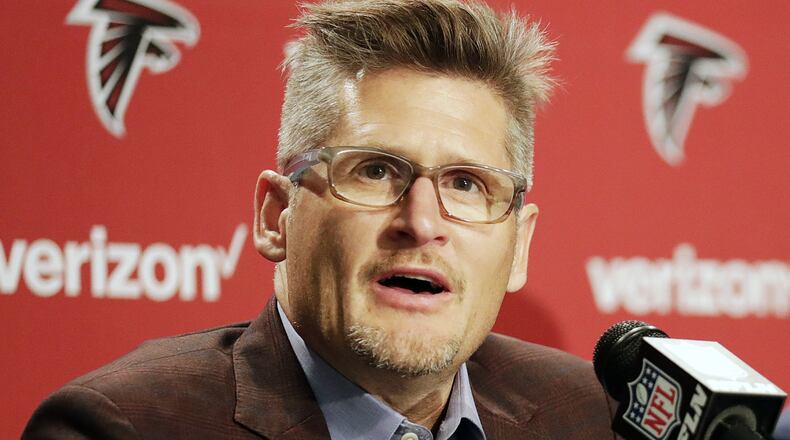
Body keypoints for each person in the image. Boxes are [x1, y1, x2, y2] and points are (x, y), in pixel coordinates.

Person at [23, 1, 619, 439]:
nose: (420, 221)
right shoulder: (123, 426)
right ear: (277, 215)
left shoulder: (596, 415)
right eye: (375, 172)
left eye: (466, 184)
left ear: (518, 246)